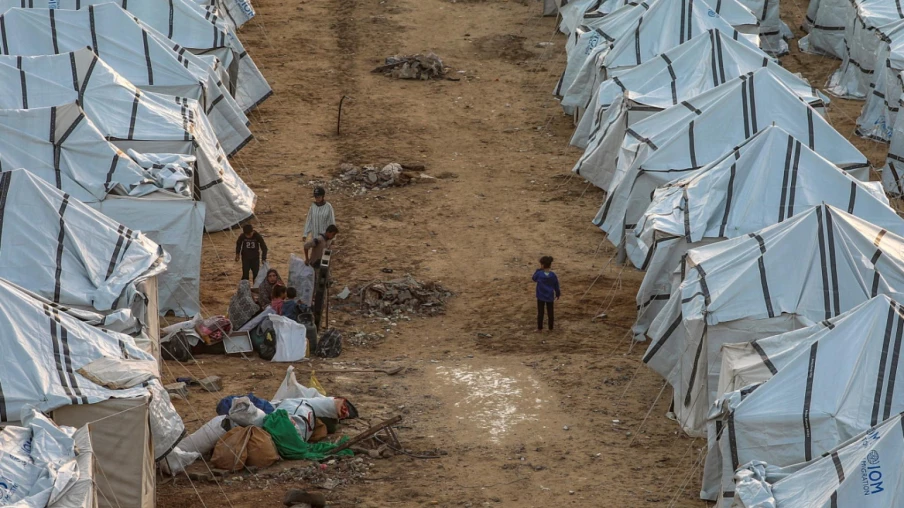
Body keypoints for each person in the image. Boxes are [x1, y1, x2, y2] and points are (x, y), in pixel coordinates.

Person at [532, 255, 560, 332]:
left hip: (540, 296)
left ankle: (539, 328)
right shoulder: (553, 275)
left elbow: (534, 278)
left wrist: (538, 270)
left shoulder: (539, 274)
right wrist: (558, 294)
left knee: (540, 313)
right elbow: (556, 285)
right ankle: (550, 328)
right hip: (550, 296)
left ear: (542, 265)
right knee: (550, 312)